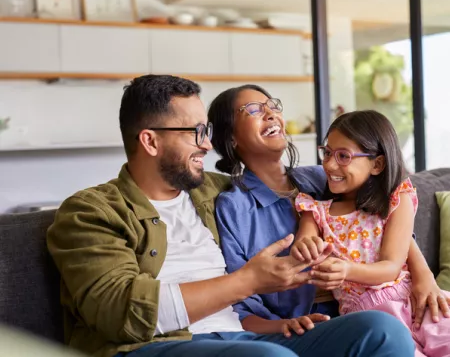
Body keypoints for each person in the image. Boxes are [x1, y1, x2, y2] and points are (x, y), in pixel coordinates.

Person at [47, 74, 415, 357]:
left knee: (383, 331)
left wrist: (422, 275)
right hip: (158, 345)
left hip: (244, 337)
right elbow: (120, 313)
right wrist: (248, 281)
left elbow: (379, 208)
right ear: (150, 141)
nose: (207, 144)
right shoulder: (89, 213)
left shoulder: (213, 190)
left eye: (206, 132)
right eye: (195, 133)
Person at [208, 84, 450, 338]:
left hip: (381, 303)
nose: (270, 114)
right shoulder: (234, 207)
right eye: (254, 110)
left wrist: (424, 276)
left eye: (272, 106)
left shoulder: (322, 175)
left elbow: (383, 223)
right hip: (314, 327)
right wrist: (280, 326)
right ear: (230, 137)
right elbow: (238, 299)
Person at [292, 110, 450, 356]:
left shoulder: (397, 200)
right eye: (327, 153)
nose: (330, 164)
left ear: (377, 164)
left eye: (343, 156)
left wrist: (347, 271)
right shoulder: (315, 210)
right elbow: (305, 241)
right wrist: (305, 247)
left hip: (415, 301)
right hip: (368, 319)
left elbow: (391, 266)